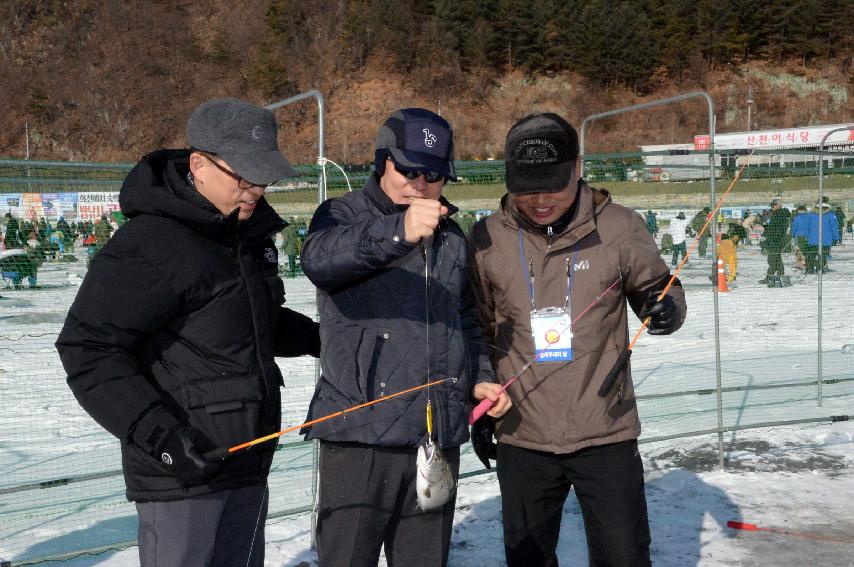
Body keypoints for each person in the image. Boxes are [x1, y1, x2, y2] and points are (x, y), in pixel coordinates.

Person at [55, 98, 321, 567]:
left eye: (264, 177)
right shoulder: (150, 244)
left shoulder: (244, 236)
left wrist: (324, 338)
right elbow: (88, 350)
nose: (256, 189)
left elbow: (253, 324)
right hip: (182, 473)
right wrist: (162, 439)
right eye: (244, 177)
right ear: (199, 164)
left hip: (247, 456)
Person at [468, 113, 686, 567]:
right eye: (527, 187)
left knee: (623, 557)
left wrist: (666, 308)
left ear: (578, 168)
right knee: (527, 558)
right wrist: (481, 407)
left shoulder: (622, 228)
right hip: (522, 433)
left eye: (552, 184)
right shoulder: (487, 238)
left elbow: (661, 288)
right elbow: (479, 330)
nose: (540, 200)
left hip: (605, 429)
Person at [299, 108, 508, 567]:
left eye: (433, 174)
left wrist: (480, 377)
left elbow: (466, 319)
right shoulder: (340, 214)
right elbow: (320, 260)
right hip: (360, 432)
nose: (420, 182)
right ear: (382, 162)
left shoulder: (452, 236)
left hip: (435, 434)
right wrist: (400, 230)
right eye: (408, 169)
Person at [760, 199, 789, 286]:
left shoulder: (780, 215)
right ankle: (781, 275)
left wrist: (769, 236)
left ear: (778, 205)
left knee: (772, 259)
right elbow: (772, 228)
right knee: (777, 258)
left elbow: (777, 230)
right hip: (774, 240)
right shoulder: (776, 215)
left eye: (773, 206)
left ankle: (770, 277)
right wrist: (765, 227)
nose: (771, 208)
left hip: (776, 241)